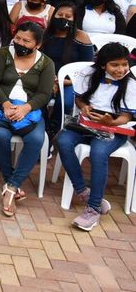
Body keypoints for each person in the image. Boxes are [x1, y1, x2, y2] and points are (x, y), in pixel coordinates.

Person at [57, 43, 136, 231]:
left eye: (124, 64)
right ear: (102, 65)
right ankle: (83, 191)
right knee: (62, 140)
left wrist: (111, 122)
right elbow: (79, 98)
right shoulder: (89, 74)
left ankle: (93, 209)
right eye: (114, 65)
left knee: (98, 153)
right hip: (87, 125)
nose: (120, 69)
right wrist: (84, 107)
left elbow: (127, 117)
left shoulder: (131, 85)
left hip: (114, 129)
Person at [0, 22, 54, 216]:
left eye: (26, 41)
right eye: (18, 38)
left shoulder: (46, 63)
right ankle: (10, 182)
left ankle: (11, 187)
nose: (20, 43)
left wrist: (25, 108)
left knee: (36, 139)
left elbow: (45, 94)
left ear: (37, 44)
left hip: (30, 110)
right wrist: (6, 105)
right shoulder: (3, 54)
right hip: (0, 106)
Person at [40, 2, 94, 142]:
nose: (63, 18)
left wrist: (66, 81)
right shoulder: (45, 35)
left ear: (74, 19)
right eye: (60, 15)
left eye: (68, 16)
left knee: (66, 103)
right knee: (40, 100)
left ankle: (53, 132)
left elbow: (88, 67)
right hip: (46, 78)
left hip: (72, 81)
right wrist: (50, 79)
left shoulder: (81, 36)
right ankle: (42, 130)